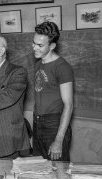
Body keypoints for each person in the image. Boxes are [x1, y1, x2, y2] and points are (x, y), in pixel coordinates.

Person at [32, 21, 74, 161]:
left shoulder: (62, 67)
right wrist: (35, 133)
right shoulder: (38, 64)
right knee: (39, 171)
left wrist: (59, 140)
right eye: (34, 43)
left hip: (54, 126)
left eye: (40, 45)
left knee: (58, 173)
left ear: (52, 46)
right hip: (38, 124)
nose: (34, 48)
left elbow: (69, 105)